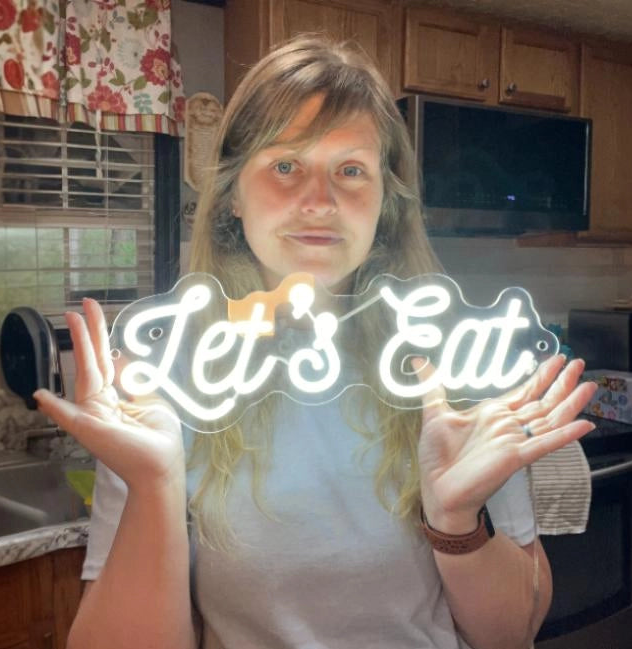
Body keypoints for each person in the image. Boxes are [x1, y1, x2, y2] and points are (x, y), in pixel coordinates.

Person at [33, 35, 598, 649]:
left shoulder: (456, 365)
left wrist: (456, 521)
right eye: (285, 166)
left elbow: (513, 634)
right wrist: (154, 486)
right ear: (232, 196)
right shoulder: (166, 387)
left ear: (384, 205)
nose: (319, 202)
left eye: (350, 170)